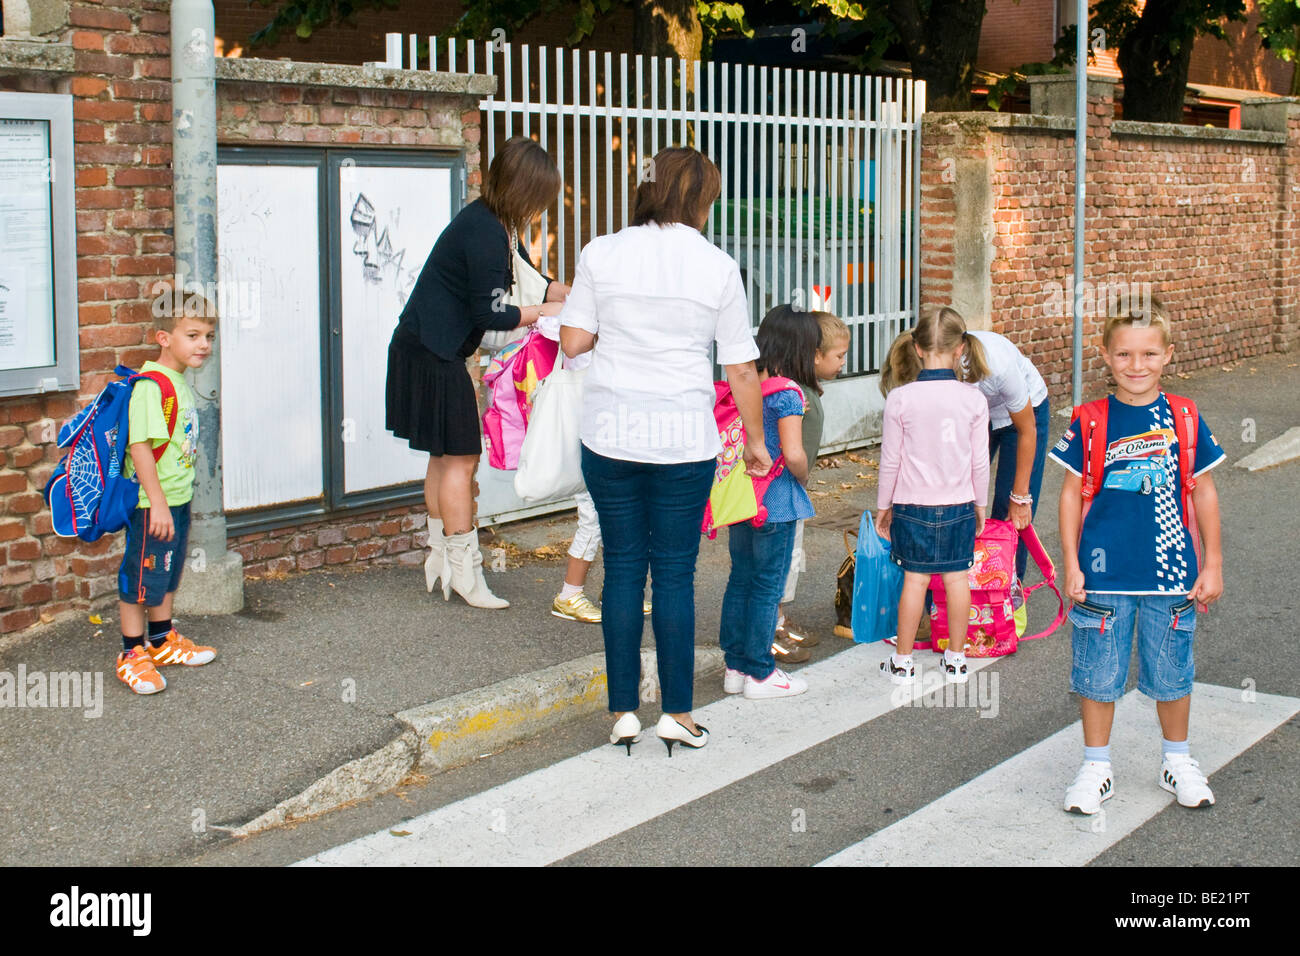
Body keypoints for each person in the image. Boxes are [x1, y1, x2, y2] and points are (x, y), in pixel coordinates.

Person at [560, 146, 771, 755]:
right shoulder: (718, 266)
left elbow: (574, 341)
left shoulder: (602, 251)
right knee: (674, 573)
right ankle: (677, 712)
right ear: (700, 199)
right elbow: (740, 368)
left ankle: (624, 711)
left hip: (611, 435)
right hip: (682, 440)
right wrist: (755, 442)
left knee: (624, 567)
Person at [1051, 301, 1224, 814]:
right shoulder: (1089, 421)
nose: (1136, 364)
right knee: (1097, 674)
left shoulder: (1185, 418)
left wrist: (1212, 563)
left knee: (1172, 672)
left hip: (1173, 573)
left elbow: (1205, 493)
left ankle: (1177, 760)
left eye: (1149, 353)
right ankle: (1096, 766)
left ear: (1167, 355)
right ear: (1105, 355)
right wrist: (1071, 562)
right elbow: (1068, 495)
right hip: (1103, 573)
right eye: (1124, 353)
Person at [386, 137, 567, 609]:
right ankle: (466, 572)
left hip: (421, 346)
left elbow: (535, 279)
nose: (539, 207)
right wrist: (543, 309)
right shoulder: (486, 233)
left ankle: (441, 559)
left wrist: (577, 293)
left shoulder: (491, 223)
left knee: (444, 458)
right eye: (540, 195)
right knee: (462, 461)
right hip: (434, 354)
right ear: (524, 188)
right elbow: (492, 315)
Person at [875, 305, 990, 685]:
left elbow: (890, 460)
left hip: (911, 505)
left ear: (917, 348)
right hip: (958, 503)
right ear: (961, 349)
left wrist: (883, 507)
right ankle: (956, 659)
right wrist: (980, 504)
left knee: (915, 580)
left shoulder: (901, 398)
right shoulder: (974, 399)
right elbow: (979, 462)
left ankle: (903, 662)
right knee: (958, 579)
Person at [114, 307, 219, 695]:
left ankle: (160, 641)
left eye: (208, 336)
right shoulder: (151, 385)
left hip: (175, 497)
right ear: (164, 338)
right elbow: (139, 446)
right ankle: (131, 654)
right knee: (140, 577)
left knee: (166, 572)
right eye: (192, 335)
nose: (204, 344)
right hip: (151, 502)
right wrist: (156, 503)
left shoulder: (177, 381)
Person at [720, 307, 818, 699]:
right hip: (776, 503)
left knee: (740, 579)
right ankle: (761, 673)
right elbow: (793, 453)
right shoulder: (788, 393)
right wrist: (804, 475)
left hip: (743, 500)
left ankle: (735, 666)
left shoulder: (747, 388)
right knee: (767, 587)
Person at [533, 311, 650, 624]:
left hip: (609, 434)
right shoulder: (585, 326)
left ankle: (617, 590)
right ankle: (569, 594)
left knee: (618, 514)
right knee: (595, 514)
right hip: (594, 436)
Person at [771, 309, 850, 661]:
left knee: (783, 561)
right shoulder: (801, 398)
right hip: (786, 494)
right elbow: (798, 456)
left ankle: (779, 620)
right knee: (782, 561)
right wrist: (801, 479)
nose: (843, 363)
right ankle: (771, 628)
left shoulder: (790, 389)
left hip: (775, 495)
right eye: (839, 356)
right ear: (813, 355)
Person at [967, 329, 1050, 579]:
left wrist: (1021, 497)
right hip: (979, 415)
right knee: (961, 499)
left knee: (1010, 512)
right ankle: (965, 586)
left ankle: (1007, 597)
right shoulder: (931, 372)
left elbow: (1027, 430)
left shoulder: (996, 362)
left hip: (1025, 414)